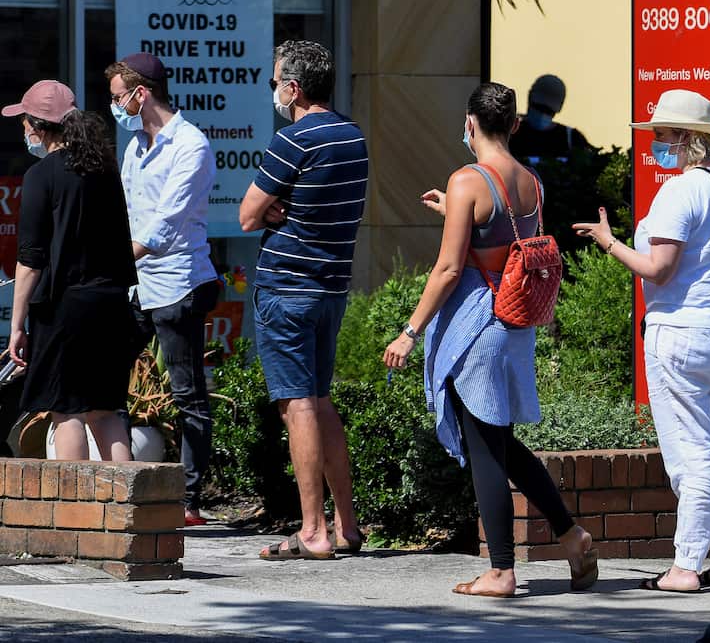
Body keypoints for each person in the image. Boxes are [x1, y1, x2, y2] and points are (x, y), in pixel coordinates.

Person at [383, 82, 596, 598]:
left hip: (476, 326)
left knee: (486, 449)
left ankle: (500, 570)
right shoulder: (531, 180)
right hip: (515, 320)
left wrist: (410, 331)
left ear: (470, 123)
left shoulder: (467, 181)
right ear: (516, 125)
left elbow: (449, 267)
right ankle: (571, 535)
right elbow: (505, 244)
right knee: (500, 442)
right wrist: (451, 212)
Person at [574, 88, 710, 593]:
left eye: (660, 135)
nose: (655, 144)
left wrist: (609, 242)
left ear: (684, 138)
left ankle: (684, 567)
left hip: (681, 333)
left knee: (691, 454)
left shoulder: (680, 192)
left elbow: (658, 270)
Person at [239, 41, 367, 561]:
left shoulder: (291, 141)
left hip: (286, 287)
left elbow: (248, 215)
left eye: (275, 81)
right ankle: (347, 524)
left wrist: (275, 209)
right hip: (331, 286)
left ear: (293, 87)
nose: (273, 90)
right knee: (319, 399)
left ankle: (313, 530)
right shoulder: (353, 136)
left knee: (298, 406)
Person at [106, 52, 221, 525]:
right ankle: (123, 481)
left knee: (186, 391)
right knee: (110, 375)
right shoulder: (135, 145)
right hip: (138, 285)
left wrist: (114, 260)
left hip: (178, 283)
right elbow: (127, 209)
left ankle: (190, 500)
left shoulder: (190, 144)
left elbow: (165, 223)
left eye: (118, 97)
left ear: (141, 93)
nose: (115, 106)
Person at [4, 80, 138, 461]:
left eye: (24, 121)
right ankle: (124, 512)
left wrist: (17, 325)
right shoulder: (104, 169)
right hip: (111, 304)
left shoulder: (40, 176)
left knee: (66, 412)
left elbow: (30, 259)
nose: (24, 130)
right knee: (105, 411)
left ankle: (74, 518)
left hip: (65, 308)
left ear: (36, 125)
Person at [508, 74, 594, 165]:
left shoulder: (572, 139)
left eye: (548, 111)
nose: (542, 114)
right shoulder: (510, 134)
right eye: (538, 107)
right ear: (529, 98)